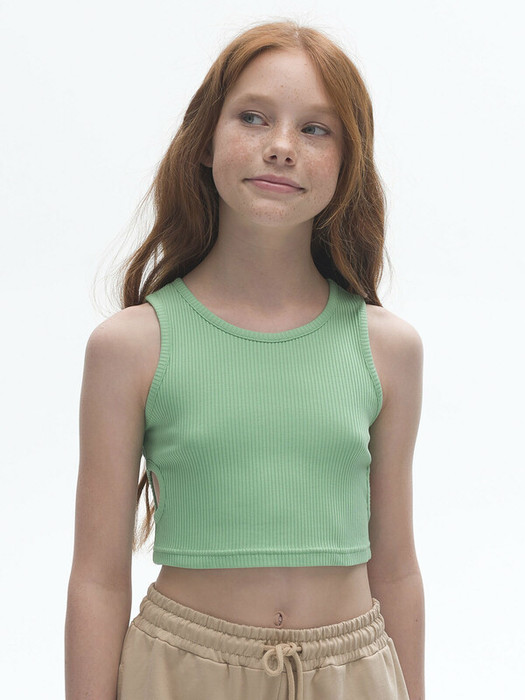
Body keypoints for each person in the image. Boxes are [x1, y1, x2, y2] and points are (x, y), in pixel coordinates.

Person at [65, 19, 425, 700]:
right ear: (204, 140)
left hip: (353, 676)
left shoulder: (387, 350)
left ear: (348, 163)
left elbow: (398, 570)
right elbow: (97, 578)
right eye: (253, 117)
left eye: (315, 129)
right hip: (178, 675)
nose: (281, 146)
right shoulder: (132, 348)